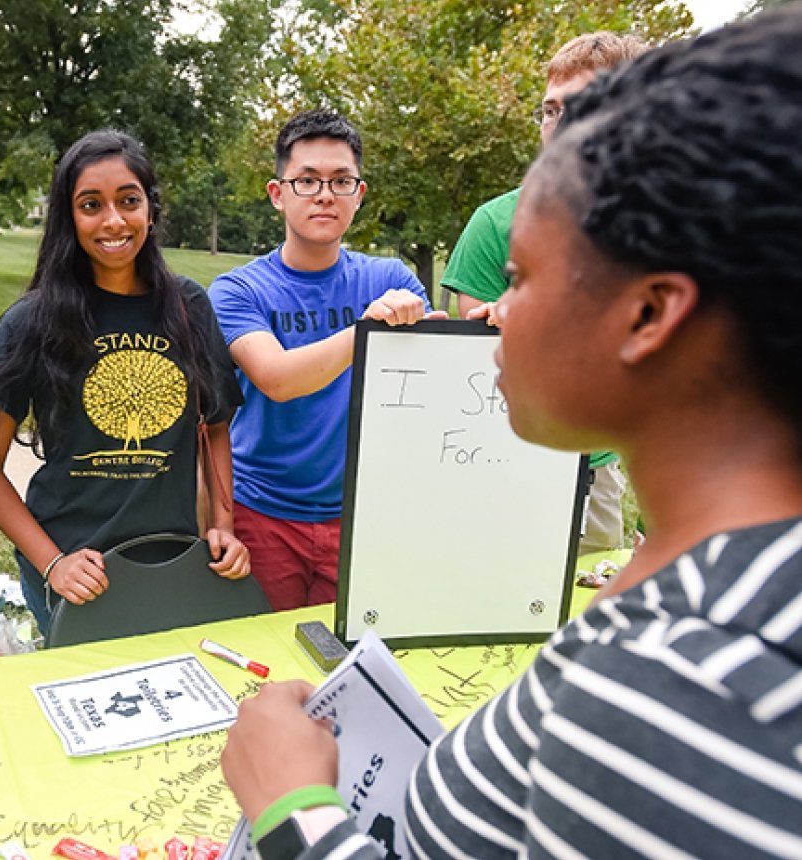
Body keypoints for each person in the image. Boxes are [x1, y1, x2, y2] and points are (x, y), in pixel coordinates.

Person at [221, 10, 802, 858]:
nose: (491, 316)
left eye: (522, 276)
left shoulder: (674, 687)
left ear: (648, 313)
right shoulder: (731, 583)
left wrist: (293, 808)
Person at [0, 129, 248, 636]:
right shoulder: (32, 321)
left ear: (151, 210)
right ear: (69, 219)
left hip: (173, 559)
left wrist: (221, 527)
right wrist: (53, 564)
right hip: (78, 567)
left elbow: (216, 426)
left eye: (129, 201)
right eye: (91, 205)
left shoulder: (189, 308)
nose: (113, 220)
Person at [209, 109, 444, 611]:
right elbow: (275, 379)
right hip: (264, 514)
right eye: (307, 180)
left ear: (359, 195)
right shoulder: (238, 290)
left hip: (364, 513)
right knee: (268, 664)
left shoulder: (390, 280)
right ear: (278, 194)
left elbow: (437, 374)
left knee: (352, 661)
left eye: (341, 181)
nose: (324, 194)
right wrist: (366, 330)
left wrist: (482, 328)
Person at [442, 32, 648, 554]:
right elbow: (474, 363)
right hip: (496, 461)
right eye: (550, 110)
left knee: (591, 616)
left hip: (597, 473)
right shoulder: (493, 224)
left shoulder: (661, 226)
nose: (558, 125)